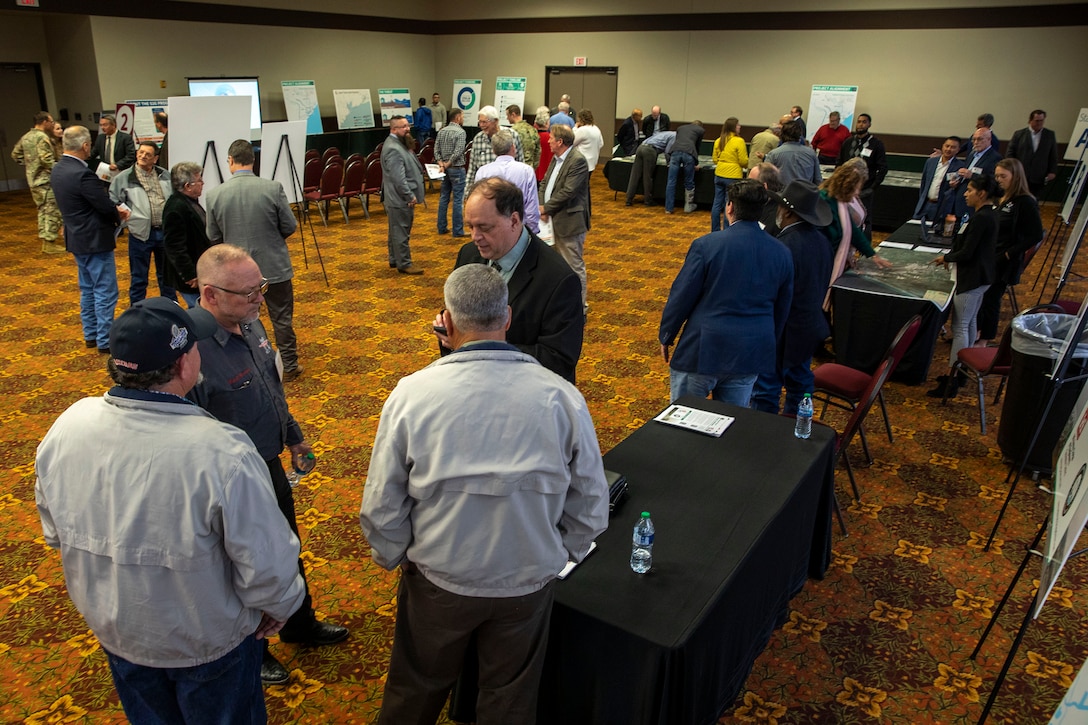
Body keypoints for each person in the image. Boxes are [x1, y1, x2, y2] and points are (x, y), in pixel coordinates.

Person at [35, 297, 306, 724]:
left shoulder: (69, 423)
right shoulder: (223, 449)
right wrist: (282, 605)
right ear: (185, 365)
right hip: (207, 639)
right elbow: (265, 560)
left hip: (116, 629)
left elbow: (53, 530)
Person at [361, 263, 609, 725]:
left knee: (415, 689)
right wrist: (557, 554)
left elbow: (381, 503)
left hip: (439, 577)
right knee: (509, 699)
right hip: (527, 582)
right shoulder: (562, 397)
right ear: (508, 318)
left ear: (447, 323)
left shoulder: (411, 395)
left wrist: (398, 555)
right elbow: (592, 504)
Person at [190, 244, 350, 685]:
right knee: (241, 566)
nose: (260, 297)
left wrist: (293, 436)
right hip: (230, 483)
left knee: (285, 550)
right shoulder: (191, 350)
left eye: (261, 287)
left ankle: (299, 625)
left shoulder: (249, 320)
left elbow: (270, 387)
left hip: (270, 461)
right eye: (248, 292)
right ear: (210, 294)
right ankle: (252, 648)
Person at [659, 179, 794, 406]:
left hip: (702, 350)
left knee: (681, 427)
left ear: (729, 207)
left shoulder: (707, 245)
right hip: (749, 353)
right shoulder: (782, 252)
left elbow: (682, 295)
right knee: (730, 428)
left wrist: (667, 335)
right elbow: (782, 309)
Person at [442, 177, 584, 383]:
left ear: (514, 220)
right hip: (470, 384)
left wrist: (483, 347)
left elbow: (559, 359)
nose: (475, 236)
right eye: (470, 226)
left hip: (527, 394)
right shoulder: (469, 255)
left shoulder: (559, 280)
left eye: (484, 227)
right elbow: (458, 311)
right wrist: (447, 329)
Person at [205, 139, 303, 379]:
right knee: (282, 317)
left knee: (241, 319)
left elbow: (213, 236)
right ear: (253, 160)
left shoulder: (214, 195)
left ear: (230, 161)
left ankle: (250, 364)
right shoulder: (273, 188)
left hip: (235, 274)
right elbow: (290, 225)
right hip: (274, 267)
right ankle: (289, 365)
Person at [751, 180, 833, 415]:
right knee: (800, 382)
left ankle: (761, 436)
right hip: (809, 326)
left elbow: (768, 292)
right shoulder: (822, 241)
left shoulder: (783, 246)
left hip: (782, 330)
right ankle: (795, 430)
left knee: (765, 389)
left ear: (787, 211)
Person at [52, 125, 128, 352]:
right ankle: (105, 340)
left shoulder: (58, 169)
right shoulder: (82, 174)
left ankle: (91, 334)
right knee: (105, 290)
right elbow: (104, 206)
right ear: (85, 146)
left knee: (87, 289)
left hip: (76, 238)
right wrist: (119, 214)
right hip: (95, 240)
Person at [927, 174, 999, 398]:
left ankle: (953, 379)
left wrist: (946, 259)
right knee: (969, 325)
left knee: (960, 327)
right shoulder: (989, 214)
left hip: (972, 279)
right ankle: (961, 372)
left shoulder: (981, 218)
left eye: (970, 190)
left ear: (982, 193)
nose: (965, 193)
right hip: (982, 277)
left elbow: (967, 252)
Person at [976, 158, 1044, 343]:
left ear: (1015, 177)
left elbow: (1036, 234)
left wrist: (1009, 253)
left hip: (1004, 261)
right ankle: (976, 332)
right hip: (990, 256)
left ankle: (985, 338)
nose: (998, 179)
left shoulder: (1025, 202)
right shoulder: (1002, 197)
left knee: (990, 299)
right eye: (996, 175)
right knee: (980, 296)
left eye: (1003, 176)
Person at [109, 140, 178, 305]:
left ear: (155, 158)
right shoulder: (124, 178)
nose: (142, 156)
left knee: (167, 278)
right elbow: (113, 201)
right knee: (139, 279)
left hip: (164, 233)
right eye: (140, 153)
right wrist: (128, 221)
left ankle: (171, 312)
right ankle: (136, 313)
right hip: (140, 235)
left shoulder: (165, 175)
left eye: (148, 154)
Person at [819, 158, 892, 309]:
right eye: (856, 188)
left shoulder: (839, 201)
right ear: (846, 185)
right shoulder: (824, 201)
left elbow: (851, 230)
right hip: (823, 263)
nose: (858, 192)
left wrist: (872, 255)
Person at [539, 124, 591, 310]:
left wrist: (546, 208)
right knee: (554, 265)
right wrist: (542, 207)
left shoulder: (578, 161)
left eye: (551, 138)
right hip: (551, 220)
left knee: (574, 266)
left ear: (560, 142)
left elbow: (568, 192)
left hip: (569, 222)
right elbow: (544, 182)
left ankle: (579, 307)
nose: (549, 141)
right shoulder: (556, 158)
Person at [162, 161, 215, 308]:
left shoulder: (189, 202)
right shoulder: (176, 208)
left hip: (199, 270)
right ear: (187, 186)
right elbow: (174, 247)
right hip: (190, 278)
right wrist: (190, 275)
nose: (202, 183)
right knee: (201, 311)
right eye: (199, 180)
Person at [11, 111, 63, 253]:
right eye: (51, 122)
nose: (52, 124)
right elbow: (46, 160)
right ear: (44, 122)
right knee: (52, 211)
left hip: (33, 180)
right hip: (45, 180)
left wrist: (30, 164)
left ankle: (46, 241)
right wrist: (61, 172)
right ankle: (50, 242)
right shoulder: (42, 137)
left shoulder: (27, 137)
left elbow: (15, 155)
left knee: (42, 210)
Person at [380, 115, 426, 275]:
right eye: (404, 126)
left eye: (408, 125)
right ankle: (404, 264)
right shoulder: (393, 148)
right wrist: (409, 196)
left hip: (398, 198)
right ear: (394, 129)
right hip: (400, 199)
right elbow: (398, 179)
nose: (408, 129)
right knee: (401, 231)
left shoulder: (399, 143)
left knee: (396, 229)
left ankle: (395, 259)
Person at [475, 129, 541, 234]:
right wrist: (532, 231)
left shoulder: (482, 172)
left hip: (490, 229)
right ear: (513, 147)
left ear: (493, 150)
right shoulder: (526, 171)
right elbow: (531, 206)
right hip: (518, 229)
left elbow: (478, 205)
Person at [837, 113, 887, 236]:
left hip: (865, 189)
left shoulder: (876, 144)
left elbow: (883, 167)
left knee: (865, 218)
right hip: (846, 189)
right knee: (845, 216)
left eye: (864, 122)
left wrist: (873, 187)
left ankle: (865, 248)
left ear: (869, 124)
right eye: (859, 121)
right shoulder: (848, 142)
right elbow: (839, 163)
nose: (861, 124)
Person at [466, 105, 524, 190]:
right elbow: (471, 171)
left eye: (485, 122)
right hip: (485, 192)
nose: (481, 125)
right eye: (480, 122)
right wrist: (467, 195)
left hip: (509, 192)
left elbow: (521, 164)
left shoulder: (512, 135)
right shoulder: (478, 139)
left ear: (496, 121)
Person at [914, 136, 966, 225]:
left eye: (953, 147)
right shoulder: (930, 162)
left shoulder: (960, 166)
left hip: (941, 207)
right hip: (924, 204)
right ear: (943, 146)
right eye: (947, 146)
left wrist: (953, 187)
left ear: (958, 150)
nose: (949, 149)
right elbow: (923, 183)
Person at [1007, 109, 1059, 197]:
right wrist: (1012, 170)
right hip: (1021, 175)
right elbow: (1010, 153)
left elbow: (1053, 154)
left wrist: (1052, 171)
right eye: (1037, 121)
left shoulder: (1049, 135)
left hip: (1039, 176)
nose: (1039, 123)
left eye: (1042, 121)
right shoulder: (1019, 134)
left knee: (1034, 200)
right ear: (1030, 120)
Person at [710, 117, 748, 232]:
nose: (740, 126)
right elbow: (743, 161)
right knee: (730, 204)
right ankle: (727, 230)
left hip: (719, 174)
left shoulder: (718, 140)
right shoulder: (739, 141)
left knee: (717, 204)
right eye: (738, 125)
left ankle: (715, 230)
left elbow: (715, 159)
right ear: (733, 127)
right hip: (733, 176)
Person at [435, 107, 467, 237]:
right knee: (458, 200)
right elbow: (458, 151)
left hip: (444, 170)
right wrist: (448, 163)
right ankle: (457, 230)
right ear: (458, 117)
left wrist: (441, 163)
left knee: (444, 198)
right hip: (457, 169)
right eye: (463, 116)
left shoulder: (441, 132)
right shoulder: (460, 132)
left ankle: (441, 227)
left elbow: (436, 149)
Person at [625, 130, 675, 207]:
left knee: (635, 175)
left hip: (641, 147)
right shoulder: (675, 136)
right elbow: (667, 152)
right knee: (647, 176)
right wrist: (669, 163)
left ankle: (629, 199)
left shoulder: (666, 133)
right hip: (650, 151)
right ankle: (648, 200)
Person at [665, 120, 704, 214]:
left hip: (675, 152)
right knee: (689, 181)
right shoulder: (701, 130)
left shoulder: (680, 128)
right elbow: (696, 146)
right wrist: (696, 162)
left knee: (671, 181)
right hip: (689, 153)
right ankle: (688, 206)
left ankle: (668, 208)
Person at [765, 120, 821, 186]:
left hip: (782, 194)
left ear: (782, 135)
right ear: (800, 135)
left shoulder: (773, 154)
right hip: (805, 193)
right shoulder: (811, 153)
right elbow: (818, 180)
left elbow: (765, 178)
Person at [89, 114, 135, 180]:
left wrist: (117, 165)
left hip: (121, 172)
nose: (102, 128)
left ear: (113, 125)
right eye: (101, 125)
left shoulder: (125, 138)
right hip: (105, 173)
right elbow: (93, 153)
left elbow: (131, 155)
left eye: (105, 125)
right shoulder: (100, 138)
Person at [749, 161, 784, 235]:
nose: (746, 186)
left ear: (764, 187)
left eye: (749, 182)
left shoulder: (777, 216)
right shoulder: (754, 204)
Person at [506, 104, 540, 171]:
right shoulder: (532, 129)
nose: (507, 118)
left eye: (508, 115)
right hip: (530, 167)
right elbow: (538, 150)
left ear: (513, 115)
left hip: (516, 168)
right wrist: (534, 166)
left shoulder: (512, 131)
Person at [534, 106, 554, 182]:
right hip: (546, 172)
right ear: (546, 123)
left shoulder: (532, 136)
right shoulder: (550, 138)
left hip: (534, 172)